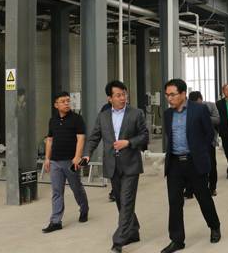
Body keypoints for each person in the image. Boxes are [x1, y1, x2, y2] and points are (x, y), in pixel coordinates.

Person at [82, 81, 149, 253]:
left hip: (131, 164)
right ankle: (133, 231)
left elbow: (144, 136)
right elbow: (94, 137)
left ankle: (118, 240)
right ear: (109, 98)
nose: (122, 98)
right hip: (112, 164)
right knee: (120, 201)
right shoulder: (103, 116)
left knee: (126, 202)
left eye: (124, 94)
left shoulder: (136, 113)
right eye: (118, 95)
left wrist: (129, 142)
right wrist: (87, 154)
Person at [161, 79, 221, 253]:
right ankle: (177, 240)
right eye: (167, 95)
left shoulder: (199, 109)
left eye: (172, 94)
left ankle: (214, 226)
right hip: (174, 163)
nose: (169, 98)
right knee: (174, 201)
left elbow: (209, 133)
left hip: (194, 162)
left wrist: (199, 151)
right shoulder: (167, 114)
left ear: (183, 94)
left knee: (203, 198)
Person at [42, 91, 89, 233]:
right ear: (56, 105)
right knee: (57, 191)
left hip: (71, 161)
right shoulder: (53, 120)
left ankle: (84, 209)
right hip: (55, 161)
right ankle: (55, 221)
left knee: (76, 188)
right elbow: (50, 140)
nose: (67, 103)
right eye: (63, 101)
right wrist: (47, 158)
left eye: (68, 101)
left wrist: (77, 156)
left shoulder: (77, 119)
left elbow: (81, 138)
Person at [188, 91, 220, 196]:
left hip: (208, 141)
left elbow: (217, 119)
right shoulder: (189, 108)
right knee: (192, 166)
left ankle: (212, 187)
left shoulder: (210, 106)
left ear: (201, 99)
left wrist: (204, 117)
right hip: (194, 141)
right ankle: (190, 189)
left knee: (211, 164)